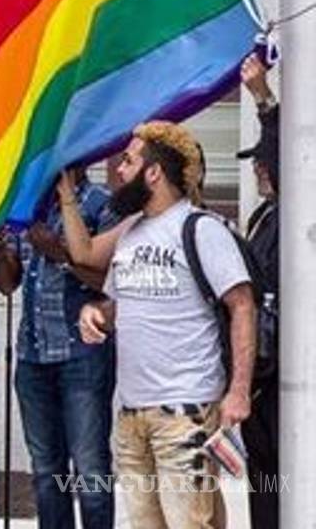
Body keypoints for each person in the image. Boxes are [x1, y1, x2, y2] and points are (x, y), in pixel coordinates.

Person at [69, 121, 255, 528]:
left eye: (129, 161)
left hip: (185, 414)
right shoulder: (131, 233)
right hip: (132, 416)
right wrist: (96, 313)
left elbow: (242, 304)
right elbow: (119, 303)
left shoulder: (201, 228)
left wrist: (238, 392)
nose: (119, 169)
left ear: (153, 173)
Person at [0, 165, 116, 529]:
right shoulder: (28, 208)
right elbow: (6, 284)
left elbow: (112, 280)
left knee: (90, 469)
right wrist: (0, 251)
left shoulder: (100, 205)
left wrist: (60, 252)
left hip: (82, 358)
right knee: (46, 473)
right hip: (32, 358)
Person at [237, 53, 280, 529]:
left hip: (293, 375)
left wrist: (263, 98)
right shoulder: (261, 218)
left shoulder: (296, 213)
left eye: (264, 163)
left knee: (287, 477)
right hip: (263, 372)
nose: (258, 170)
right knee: (264, 477)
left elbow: (289, 154)